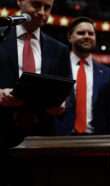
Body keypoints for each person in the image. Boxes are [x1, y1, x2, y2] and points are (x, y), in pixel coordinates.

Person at [0, 0, 71, 147]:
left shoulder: (60, 50)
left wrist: (62, 104)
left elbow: (69, 93)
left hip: (43, 135)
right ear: (20, 2)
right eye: (37, 5)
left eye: (47, 8)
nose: (42, 12)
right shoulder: (1, 38)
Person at [55, 17, 110, 135]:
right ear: (70, 37)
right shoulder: (56, 68)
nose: (87, 36)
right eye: (81, 33)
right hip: (60, 139)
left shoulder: (108, 74)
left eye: (91, 33)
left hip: (96, 141)